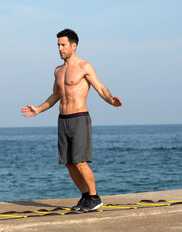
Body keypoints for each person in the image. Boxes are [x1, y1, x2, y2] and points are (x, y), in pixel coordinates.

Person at [21, 29, 122, 211]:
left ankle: (95, 197)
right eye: (58, 45)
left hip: (79, 118)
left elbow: (100, 87)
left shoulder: (85, 66)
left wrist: (111, 100)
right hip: (63, 119)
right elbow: (55, 96)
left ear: (73, 46)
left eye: (63, 45)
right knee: (68, 162)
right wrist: (38, 109)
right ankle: (85, 197)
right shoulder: (58, 70)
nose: (60, 48)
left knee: (79, 161)